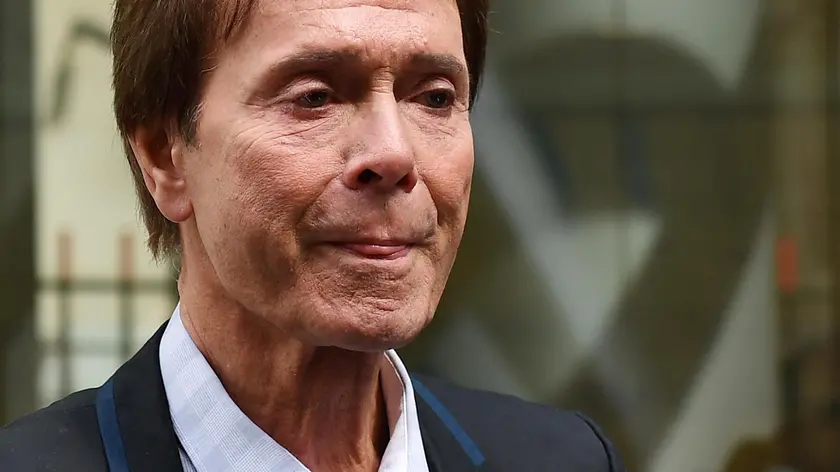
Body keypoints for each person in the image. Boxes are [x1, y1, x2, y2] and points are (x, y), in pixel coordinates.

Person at [0, 0, 625, 470]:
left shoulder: (564, 459)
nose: (394, 154)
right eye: (315, 97)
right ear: (166, 157)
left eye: (434, 98)